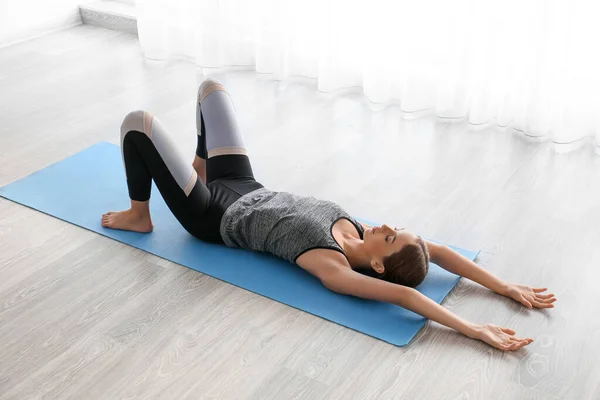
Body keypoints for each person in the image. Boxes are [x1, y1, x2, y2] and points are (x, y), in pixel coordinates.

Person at [102, 78, 556, 351]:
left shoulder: (333, 266)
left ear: (377, 265)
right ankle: (198, 167)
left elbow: (406, 299)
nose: (386, 226)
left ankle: (139, 213)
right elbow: (437, 252)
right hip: (245, 184)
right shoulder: (360, 230)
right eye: (397, 229)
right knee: (212, 90)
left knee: (136, 121)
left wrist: (475, 329)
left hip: (210, 216)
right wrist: (501, 285)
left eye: (391, 237)